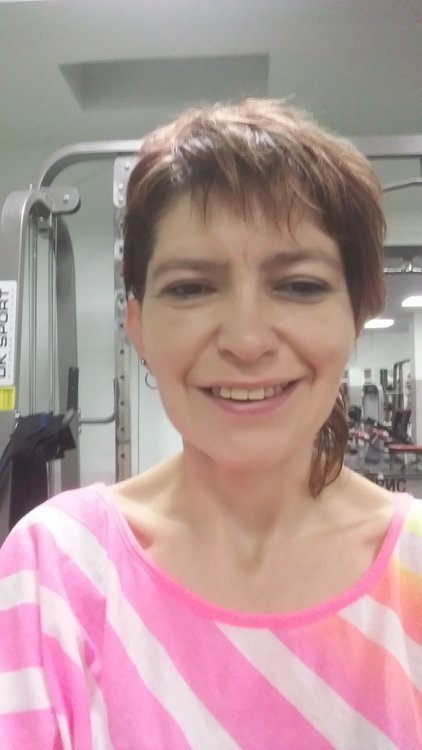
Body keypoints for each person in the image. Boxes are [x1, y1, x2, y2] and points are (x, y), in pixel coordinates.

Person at [0, 99, 421, 750]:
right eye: (192, 288)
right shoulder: (55, 569)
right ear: (138, 327)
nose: (247, 341)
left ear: (356, 313)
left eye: (300, 285)